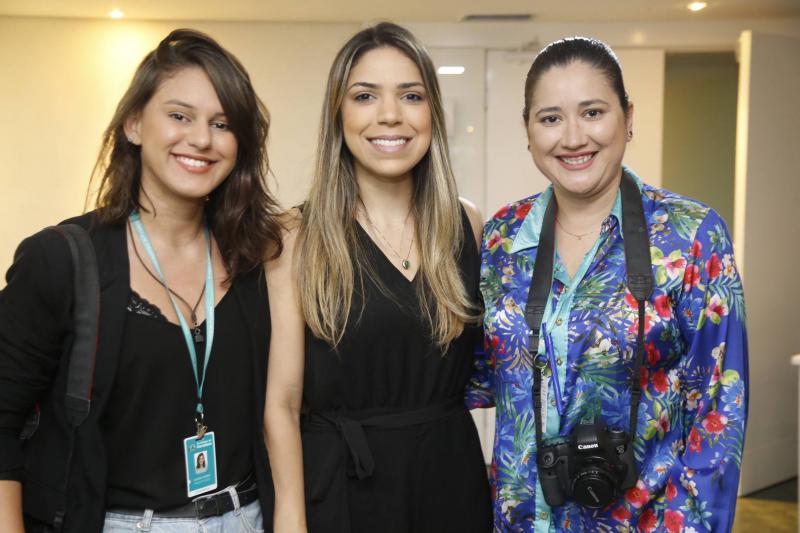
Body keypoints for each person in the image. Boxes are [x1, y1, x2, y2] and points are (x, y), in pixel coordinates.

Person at [0, 29, 282, 532]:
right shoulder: (61, 258)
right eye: (180, 116)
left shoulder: (257, 260)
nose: (202, 139)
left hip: (245, 517)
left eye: (222, 124)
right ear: (133, 124)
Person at [468, 37, 747, 532]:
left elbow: (719, 408)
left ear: (627, 116)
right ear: (528, 131)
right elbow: (472, 377)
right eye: (550, 118)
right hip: (519, 521)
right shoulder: (501, 237)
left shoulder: (690, 236)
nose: (573, 137)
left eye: (592, 112)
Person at [264, 22, 492, 533]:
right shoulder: (296, 235)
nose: (390, 115)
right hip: (343, 490)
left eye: (411, 96)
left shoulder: (466, 223)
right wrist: (290, 518)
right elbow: (281, 402)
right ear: (338, 114)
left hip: (450, 483)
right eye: (365, 96)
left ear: (432, 113)